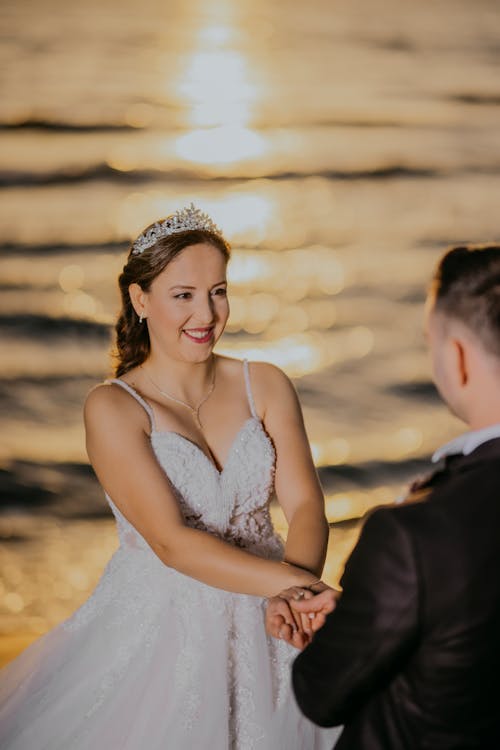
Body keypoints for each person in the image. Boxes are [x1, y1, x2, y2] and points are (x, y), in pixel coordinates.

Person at [0, 204, 340, 749]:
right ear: (141, 299)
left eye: (218, 291)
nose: (206, 313)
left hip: (277, 611)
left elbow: (305, 507)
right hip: (165, 628)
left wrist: (294, 596)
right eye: (183, 294)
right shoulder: (113, 408)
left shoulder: (267, 384)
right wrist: (307, 589)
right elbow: (172, 543)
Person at [281, 244, 500, 749]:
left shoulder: (411, 536)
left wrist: (351, 622)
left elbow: (319, 694)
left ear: (457, 357)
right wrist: (370, 605)